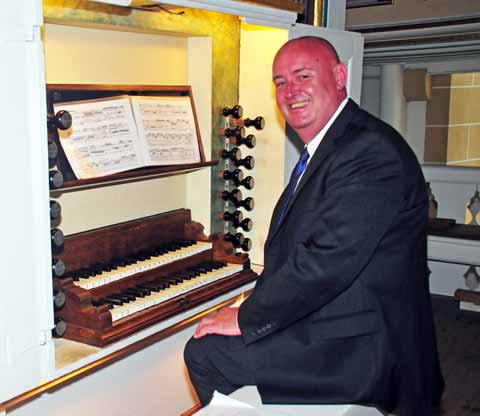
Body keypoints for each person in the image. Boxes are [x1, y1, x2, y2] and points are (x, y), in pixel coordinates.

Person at [184, 36, 444, 416]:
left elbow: (325, 260)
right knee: (219, 342)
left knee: (206, 353)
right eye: (280, 83)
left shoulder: (370, 151)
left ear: (340, 76)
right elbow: (302, 250)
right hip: (337, 319)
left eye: (303, 75)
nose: (291, 91)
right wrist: (253, 303)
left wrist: (246, 316)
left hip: (363, 348)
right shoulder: (334, 147)